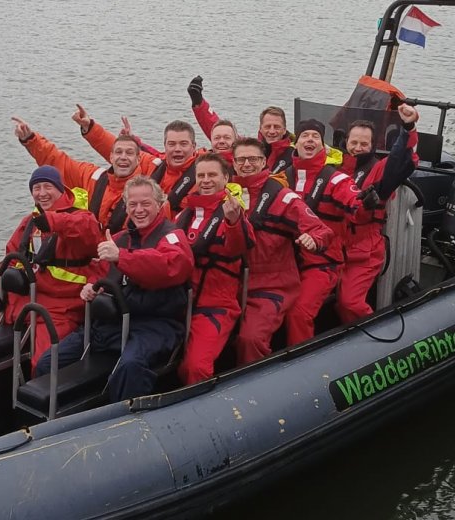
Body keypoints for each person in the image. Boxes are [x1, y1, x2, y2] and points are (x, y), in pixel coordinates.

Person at [35, 176, 194, 402]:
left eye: (146, 204)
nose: (139, 210)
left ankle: (126, 420)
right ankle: (54, 423)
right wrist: (91, 288)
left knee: (131, 366)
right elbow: (100, 273)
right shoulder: (119, 239)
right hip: (112, 323)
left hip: (155, 324)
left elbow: (170, 266)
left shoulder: (172, 237)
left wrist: (123, 257)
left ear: (159, 205)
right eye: (133, 204)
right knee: (47, 362)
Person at [0, 166, 103, 368]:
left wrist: (52, 220)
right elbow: (9, 260)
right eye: (36, 188)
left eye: (47, 186)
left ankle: (33, 396)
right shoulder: (29, 223)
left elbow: (88, 234)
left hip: (60, 307)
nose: (41, 193)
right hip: (21, 300)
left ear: (61, 189)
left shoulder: (82, 218)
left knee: (42, 363)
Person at [230, 138, 334, 364]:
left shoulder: (282, 197)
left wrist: (312, 239)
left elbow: (321, 230)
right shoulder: (226, 193)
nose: (247, 164)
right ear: (234, 163)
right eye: (241, 159)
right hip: (231, 283)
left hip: (272, 284)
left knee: (251, 339)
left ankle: (258, 384)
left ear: (264, 161)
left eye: (253, 159)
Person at [282, 119, 382, 346]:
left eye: (315, 137)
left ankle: (303, 361)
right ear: (295, 144)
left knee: (299, 312)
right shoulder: (282, 178)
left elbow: (353, 201)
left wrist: (364, 203)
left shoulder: (336, 179)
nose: (309, 140)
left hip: (322, 262)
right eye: (304, 136)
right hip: (288, 261)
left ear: (322, 145)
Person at [175, 153, 254, 384]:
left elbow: (239, 246)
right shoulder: (184, 214)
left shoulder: (233, 211)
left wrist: (232, 221)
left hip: (216, 305)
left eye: (212, 175)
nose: (206, 180)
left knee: (196, 367)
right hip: (180, 302)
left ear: (226, 178)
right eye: (201, 175)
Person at [336, 107, 420, 323]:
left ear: (373, 146)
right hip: (333, 246)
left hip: (364, 249)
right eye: (353, 142)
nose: (357, 148)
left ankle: (377, 332)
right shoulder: (334, 167)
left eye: (364, 143)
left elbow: (402, 158)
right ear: (345, 142)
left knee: (350, 303)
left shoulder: (380, 168)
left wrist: (407, 128)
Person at [12, 115, 142, 232]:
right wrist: (31, 140)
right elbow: (59, 163)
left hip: (122, 253)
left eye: (129, 153)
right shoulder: (95, 177)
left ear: (139, 159)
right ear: (111, 157)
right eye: (119, 152)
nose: (123, 157)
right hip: (91, 249)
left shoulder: (147, 191)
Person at [73, 105, 205, 215]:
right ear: (165, 146)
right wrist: (90, 127)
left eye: (183, 144)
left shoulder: (205, 175)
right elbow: (119, 153)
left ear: (193, 146)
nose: (177, 149)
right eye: (172, 144)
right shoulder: (155, 165)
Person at [187, 76, 294, 173]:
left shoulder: (294, 153)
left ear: (284, 129)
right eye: (267, 127)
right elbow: (221, 131)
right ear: (260, 129)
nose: (271, 131)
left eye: (276, 127)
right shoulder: (253, 147)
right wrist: (199, 103)